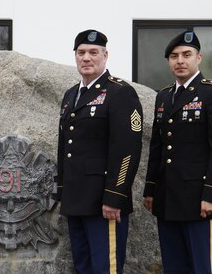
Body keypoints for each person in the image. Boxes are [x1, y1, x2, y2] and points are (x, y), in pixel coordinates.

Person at [143, 31, 212, 273]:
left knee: (205, 268)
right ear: (168, 61)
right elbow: (158, 146)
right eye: (174, 56)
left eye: (187, 55)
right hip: (167, 201)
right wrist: (151, 190)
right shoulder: (164, 97)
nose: (180, 61)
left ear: (199, 58)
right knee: (174, 268)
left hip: (200, 202)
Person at [56, 29, 143, 273]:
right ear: (75, 56)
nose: (86, 58)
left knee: (107, 267)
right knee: (83, 266)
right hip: (76, 200)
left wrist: (115, 196)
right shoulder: (71, 94)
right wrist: (63, 190)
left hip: (104, 202)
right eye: (81, 52)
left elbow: (128, 149)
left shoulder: (120, 92)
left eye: (93, 52)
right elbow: (65, 146)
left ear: (105, 56)